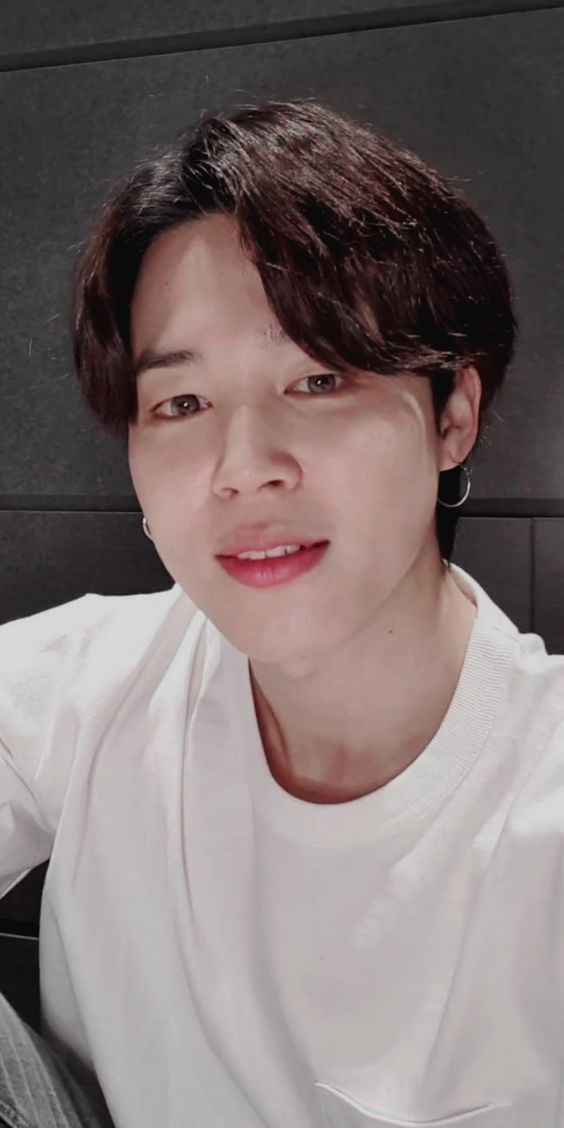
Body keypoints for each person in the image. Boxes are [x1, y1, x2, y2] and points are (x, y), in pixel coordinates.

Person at [1, 96, 562, 1128]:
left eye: (318, 378)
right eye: (181, 404)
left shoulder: (541, 810)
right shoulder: (92, 686)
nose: (244, 467)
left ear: (453, 414)